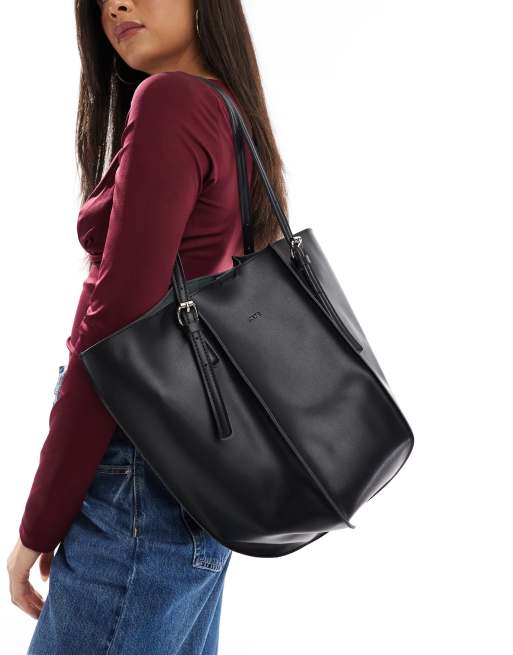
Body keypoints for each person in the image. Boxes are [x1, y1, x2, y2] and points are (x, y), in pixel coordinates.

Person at [7, 1, 288, 652]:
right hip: (198, 484)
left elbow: (112, 334)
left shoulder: (171, 102)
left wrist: (39, 521)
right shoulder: (228, 111)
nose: (115, 5)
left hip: (135, 482)